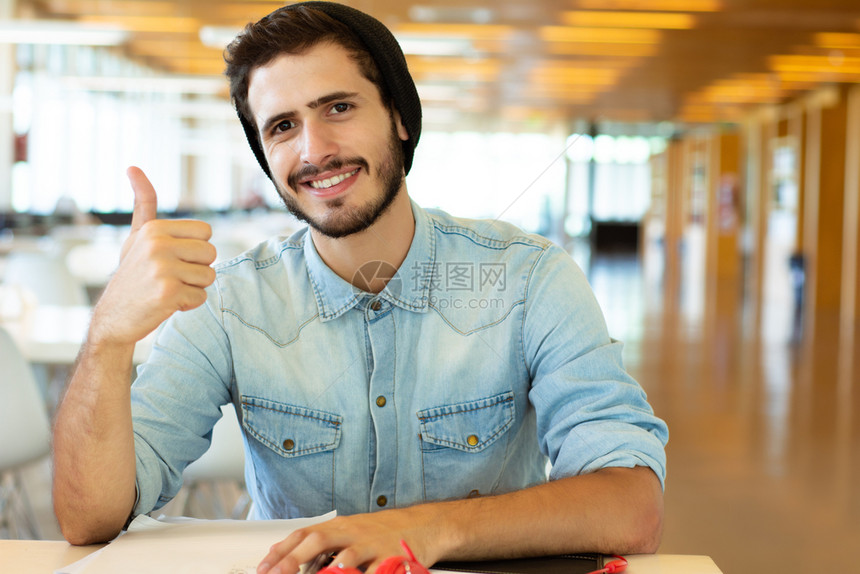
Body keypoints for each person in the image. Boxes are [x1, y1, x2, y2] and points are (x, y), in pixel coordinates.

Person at [52, 3, 669, 574]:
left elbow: (631, 505)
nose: (314, 150)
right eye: (283, 127)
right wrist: (108, 333)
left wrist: (425, 531)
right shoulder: (228, 303)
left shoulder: (530, 278)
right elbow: (90, 519)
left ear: (400, 117)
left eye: (338, 108)